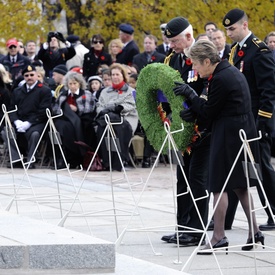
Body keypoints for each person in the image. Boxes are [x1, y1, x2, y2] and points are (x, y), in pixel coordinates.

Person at [174, 39, 263, 254]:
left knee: (218, 185)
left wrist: (191, 96)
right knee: (240, 185)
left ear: (206, 61)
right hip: (240, 130)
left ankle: (218, 236)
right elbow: (215, 106)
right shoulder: (228, 71)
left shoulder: (222, 77)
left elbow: (208, 112)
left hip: (229, 134)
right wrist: (195, 109)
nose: (193, 68)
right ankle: (255, 231)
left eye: (195, 64)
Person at [223, 8, 275, 231]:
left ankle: (273, 213)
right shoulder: (235, 50)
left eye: (232, 29)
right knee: (235, 169)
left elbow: (269, 92)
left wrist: (262, 123)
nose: (229, 34)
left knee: (261, 168)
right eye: (226, 30)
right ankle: (225, 219)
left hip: (255, 122)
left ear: (244, 25)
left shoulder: (259, 51)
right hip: (239, 120)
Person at [161, 17, 210, 246]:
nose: (171, 46)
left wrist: (196, 110)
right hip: (182, 126)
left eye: (175, 41)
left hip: (201, 127)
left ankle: (197, 229)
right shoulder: (172, 59)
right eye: (169, 41)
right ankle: (182, 227)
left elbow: (209, 88)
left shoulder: (202, 55)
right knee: (183, 179)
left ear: (189, 37)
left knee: (197, 180)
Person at [2, 65, 52, 169]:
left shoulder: (44, 90)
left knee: (34, 134)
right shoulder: (17, 91)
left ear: (37, 76)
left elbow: (43, 111)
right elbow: (12, 108)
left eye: (31, 75)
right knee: (6, 131)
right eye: (26, 75)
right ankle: (16, 159)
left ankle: (31, 159)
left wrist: (28, 123)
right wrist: (16, 121)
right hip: (20, 121)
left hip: (37, 122)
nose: (29, 77)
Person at [95, 63, 138, 171]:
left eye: (117, 74)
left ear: (123, 76)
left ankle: (119, 161)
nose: (114, 77)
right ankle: (106, 161)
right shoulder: (105, 92)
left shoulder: (131, 91)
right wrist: (104, 111)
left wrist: (116, 107)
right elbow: (99, 106)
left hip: (126, 119)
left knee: (117, 126)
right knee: (102, 127)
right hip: (107, 119)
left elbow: (131, 106)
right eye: (113, 75)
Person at [52, 71, 97, 168]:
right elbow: (55, 108)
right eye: (70, 84)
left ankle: (74, 157)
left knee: (67, 128)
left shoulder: (86, 94)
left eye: (75, 83)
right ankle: (62, 156)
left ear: (79, 83)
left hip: (81, 120)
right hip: (64, 119)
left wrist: (77, 109)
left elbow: (89, 109)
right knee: (60, 126)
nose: (73, 86)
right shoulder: (63, 95)